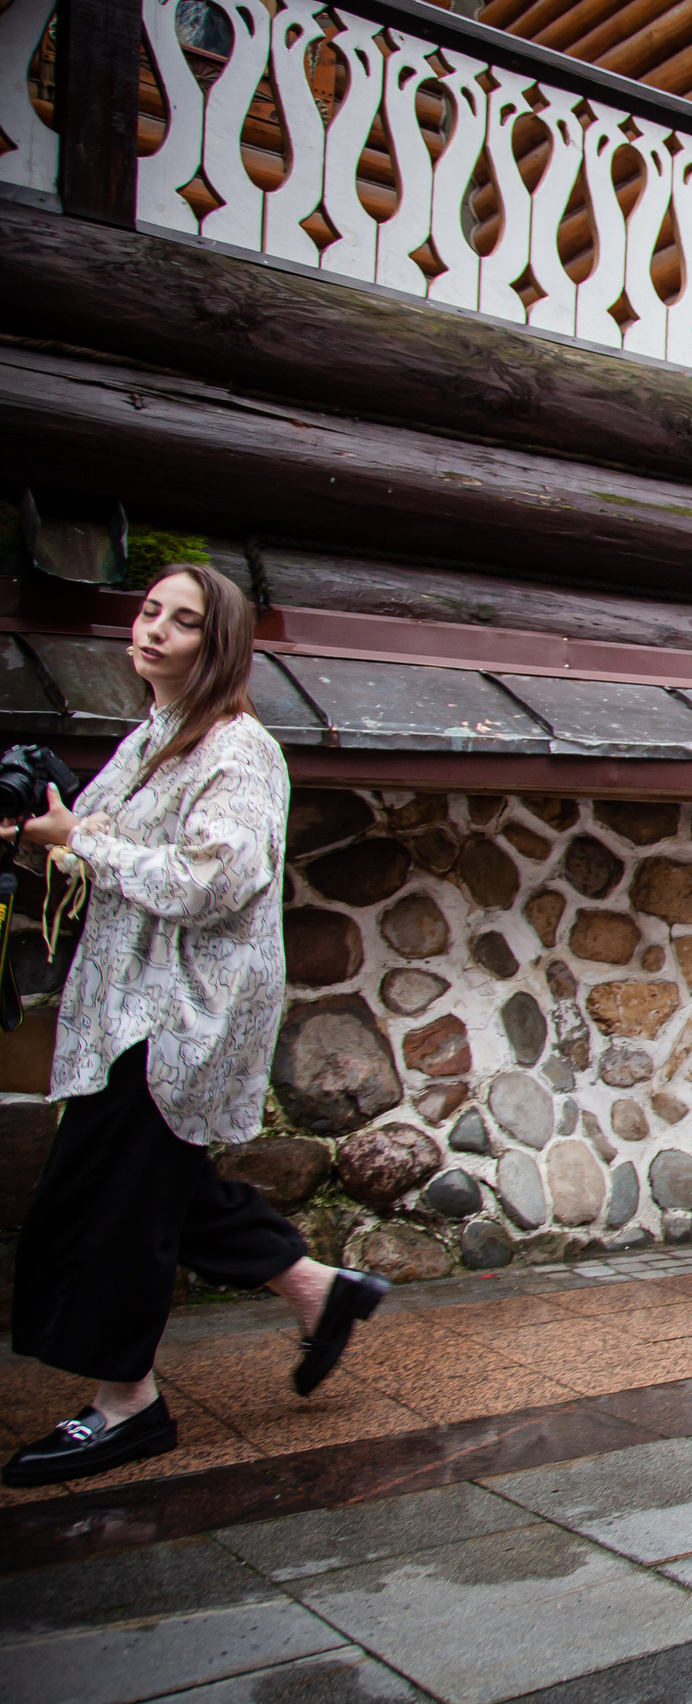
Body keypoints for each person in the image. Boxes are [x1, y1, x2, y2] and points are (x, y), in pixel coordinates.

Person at [6, 566, 387, 1488]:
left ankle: (126, 1404)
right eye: (149, 613)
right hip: (130, 1010)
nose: (155, 632)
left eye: (182, 622)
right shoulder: (156, 737)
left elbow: (216, 877)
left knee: (115, 1202)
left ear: (215, 645)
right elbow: (97, 833)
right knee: (159, 1186)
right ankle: (320, 1290)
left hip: (178, 1018)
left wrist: (80, 843)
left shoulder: (238, 748)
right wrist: (51, 832)